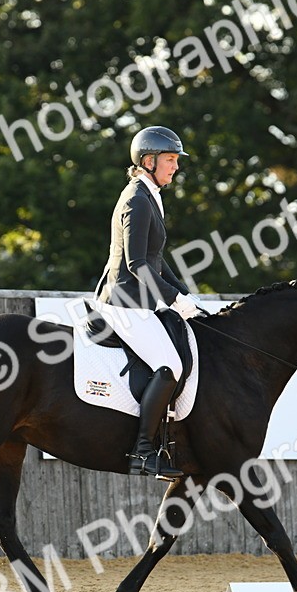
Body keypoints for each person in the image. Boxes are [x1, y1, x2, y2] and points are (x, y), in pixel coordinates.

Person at [93, 125, 205, 478]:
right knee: (169, 366)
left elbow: (157, 259)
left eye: (175, 160)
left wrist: (183, 294)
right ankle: (142, 451)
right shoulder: (136, 200)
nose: (176, 167)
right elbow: (136, 263)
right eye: (170, 160)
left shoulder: (150, 195)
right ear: (148, 160)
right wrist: (172, 299)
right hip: (123, 302)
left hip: (139, 299)